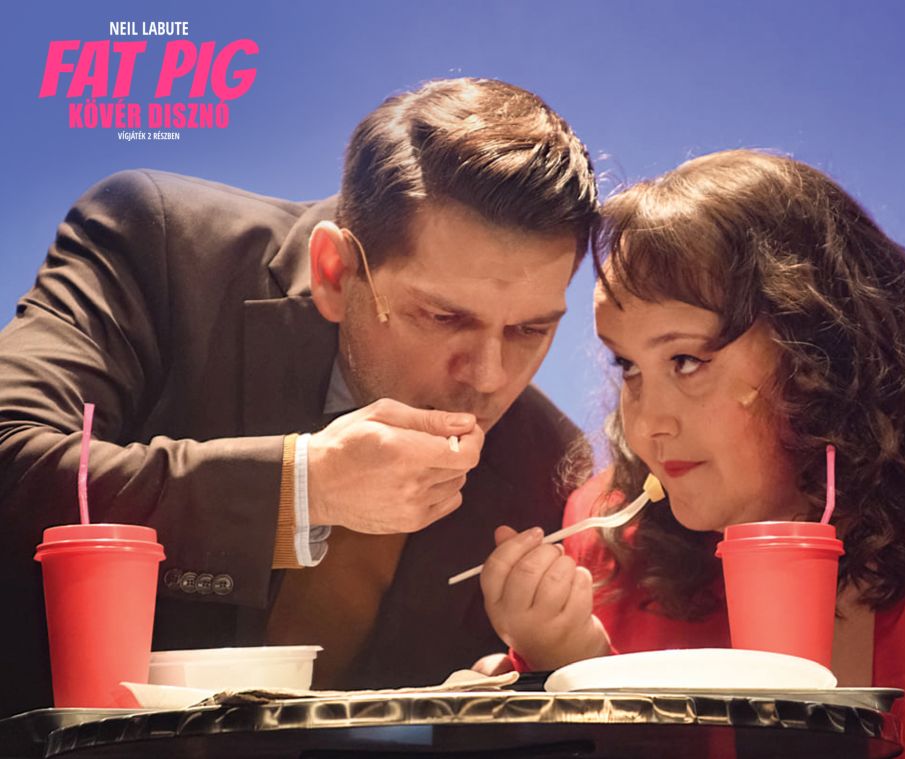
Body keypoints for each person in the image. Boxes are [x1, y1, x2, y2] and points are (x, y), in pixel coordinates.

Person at [0, 77, 598, 717]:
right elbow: (14, 452)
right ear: (334, 273)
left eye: (531, 330)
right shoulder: (159, 244)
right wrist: (302, 487)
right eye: (443, 317)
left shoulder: (543, 465)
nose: (488, 377)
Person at [480, 150, 905, 758]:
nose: (647, 425)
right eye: (627, 365)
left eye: (687, 361)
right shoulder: (608, 542)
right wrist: (565, 670)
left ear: (818, 349)